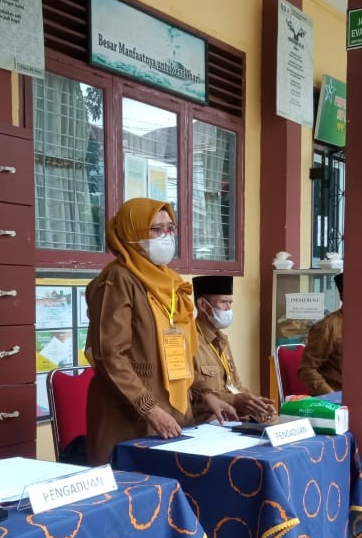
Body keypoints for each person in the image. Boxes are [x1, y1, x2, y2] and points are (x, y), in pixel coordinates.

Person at [84, 198, 199, 466]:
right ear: (131, 232)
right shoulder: (118, 280)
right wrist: (149, 408)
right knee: (139, 500)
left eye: (170, 228)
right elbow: (109, 355)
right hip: (132, 417)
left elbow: (186, 349)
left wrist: (206, 394)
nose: (166, 237)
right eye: (155, 229)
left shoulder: (169, 280)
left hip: (174, 410)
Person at [190, 275, 275, 423]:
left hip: (235, 417)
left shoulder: (223, 340)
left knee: (276, 423)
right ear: (203, 305)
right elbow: (189, 390)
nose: (229, 309)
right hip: (209, 420)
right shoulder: (189, 340)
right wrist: (234, 400)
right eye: (223, 302)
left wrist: (256, 403)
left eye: (230, 303)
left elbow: (236, 385)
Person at [299, 272, 344, 396]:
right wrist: (332, 398)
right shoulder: (327, 327)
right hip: (336, 403)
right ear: (342, 296)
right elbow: (307, 369)